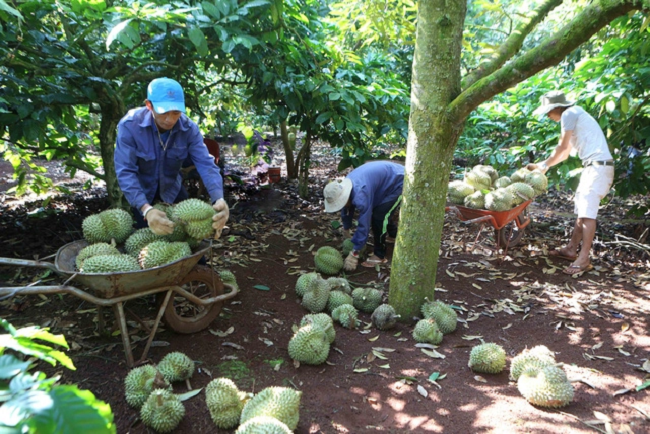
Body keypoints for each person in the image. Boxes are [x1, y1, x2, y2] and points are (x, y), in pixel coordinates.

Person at [114, 77, 229, 237]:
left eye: (176, 112)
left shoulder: (188, 128)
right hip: (142, 192)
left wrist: (219, 199)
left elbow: (206, 164)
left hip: (172, 190)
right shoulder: (130, 126)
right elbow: (125, 171)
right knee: (149, 244)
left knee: (189, 242)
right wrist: (146, 209)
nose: (170, 119)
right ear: (149, 105)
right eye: (163, 112)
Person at [527, 90, 614, 275]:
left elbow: (562, 146)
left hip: (598, 168)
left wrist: (543, 166)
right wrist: (544, 166)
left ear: (557, 107)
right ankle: (571, 249)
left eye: (548, 112)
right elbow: (565, 154)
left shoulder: (569, 113)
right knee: (583, 212)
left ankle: (583, 258)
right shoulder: (574, 115)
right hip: (594, 167)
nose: (548, 116)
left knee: (588, 214)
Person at [323, 161, 404, 270]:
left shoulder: (361, 195)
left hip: (398, 181)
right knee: (381, 211)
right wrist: (346, 229)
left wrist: (354, 253)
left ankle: (380, 254)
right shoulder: (345, 187)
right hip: (384, 182)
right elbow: (346, 209)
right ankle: (393, 235)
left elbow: (364, 224)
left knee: (379, 217)